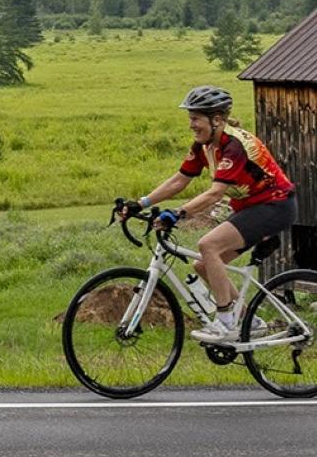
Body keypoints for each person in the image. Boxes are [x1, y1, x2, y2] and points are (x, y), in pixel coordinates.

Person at [120, 85, 297, 343]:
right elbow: (180, 180)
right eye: (190, 118)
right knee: (203, 264)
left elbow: (215, 194)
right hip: (250, 207)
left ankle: (225, 320)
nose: (191, 124)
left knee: (208, 245)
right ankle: (250, 320)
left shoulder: (234, 145)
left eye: (195, 119)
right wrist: (141, 203)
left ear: (217, 119)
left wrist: (179, 213)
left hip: (275, 206)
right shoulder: (204, 145)